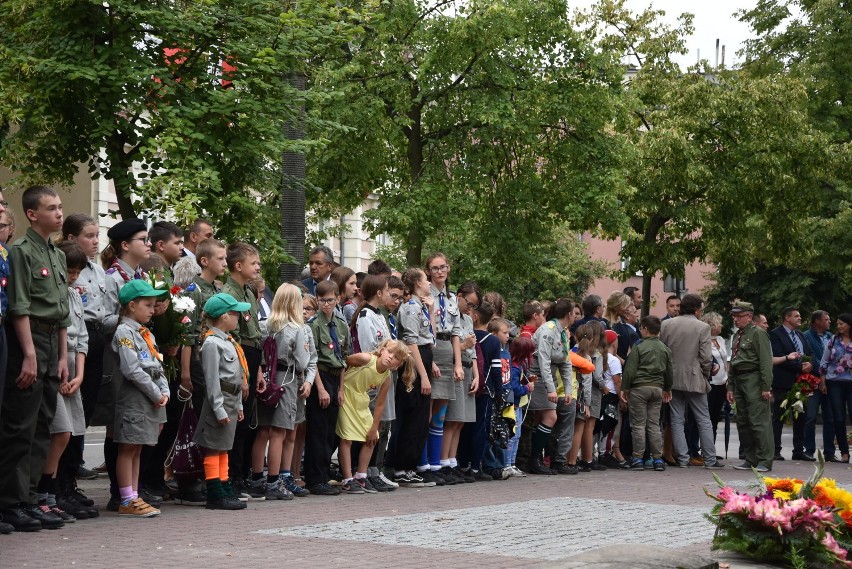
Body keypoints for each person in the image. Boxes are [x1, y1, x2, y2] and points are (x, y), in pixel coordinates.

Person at [0, 186, 71, 532]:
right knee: (20, 426)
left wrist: (63, 355)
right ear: (32, 214)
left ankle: (29, 499)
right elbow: (20, 305)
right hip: (28, 341)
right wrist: (29, 354)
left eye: (59, 207)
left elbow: (63, 312)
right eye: (51, 208)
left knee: (43, 424)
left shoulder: (56, 254)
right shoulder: (21, 252)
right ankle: (10, 501)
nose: (59, 213)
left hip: (52, 342)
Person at [250, 284, 316, 500]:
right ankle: (274, 481)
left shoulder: (265, 325)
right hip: (286, 379)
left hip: (267, 378)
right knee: (279, 432)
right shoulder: (297, 329)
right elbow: (304, 360)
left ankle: (257, 478)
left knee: (263, 431)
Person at [40, 242, 90, 523]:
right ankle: (45, 492)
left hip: (73, 367)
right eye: (69, 271)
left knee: (70, 434)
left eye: (77, 272)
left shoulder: (73, 295)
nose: (73, 277)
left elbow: (81, 338)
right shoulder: (54, 294)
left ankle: (56, 492)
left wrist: (80, 374)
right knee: (60, 433)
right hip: (56, 364)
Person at [112, 279, 170, 517]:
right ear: (132, 306)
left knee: (137, 448)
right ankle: (126, 498)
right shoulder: (124, 332)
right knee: (128, 447)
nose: (152, 309)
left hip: (150, 395)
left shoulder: (146, 333)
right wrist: (157, 393)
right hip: (135, 396)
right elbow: (132, 369)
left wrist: (165, 390)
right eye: (147, 304)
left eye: (154, 304)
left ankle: (134, 494)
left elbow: (157, 363)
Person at [193, 293, 250, 511]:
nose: (239, 317)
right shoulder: (212, 343)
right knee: (214, 447)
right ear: (224, 316)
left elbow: (236, 377)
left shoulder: (228, 341)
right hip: (220, 400)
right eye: (235, 313)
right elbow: (212, 380)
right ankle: (215, 492)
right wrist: (218, 409)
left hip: (232, 399)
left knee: (224, 446)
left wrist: (240, 406)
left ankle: (224, 486)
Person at [337, 340, 412, 494]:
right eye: (390, 352)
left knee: (373, 437)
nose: (391, 357)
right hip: (346, 396)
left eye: (396, 357)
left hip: (361, 401)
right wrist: (340, 389)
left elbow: (379, 404)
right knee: (346, 438)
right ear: (382, 350)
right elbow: (343, 364)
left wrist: (374, 426)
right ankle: (347, 479)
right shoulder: (366, 359)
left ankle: (361, 475)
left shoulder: (387, 377)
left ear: (398, 364)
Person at [528, 298, 594, 475]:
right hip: (538, 377)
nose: (575, 316)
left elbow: (565, 362)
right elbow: (543, 360)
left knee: (544, 419)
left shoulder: (564, 332)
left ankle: (540, 459)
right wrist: (551, 389)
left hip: (550, 377)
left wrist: (568, 390)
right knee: (550, 417)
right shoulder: (548, 330)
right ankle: (534, 459)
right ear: (568, 314)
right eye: (574, 312)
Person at [221, 242, 264, 499]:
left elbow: (255, 333)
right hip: (239, 355)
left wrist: (256, 371)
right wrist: (242, 374)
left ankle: (243, 474)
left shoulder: (248, 292)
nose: (258, 268)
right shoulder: (230, 293)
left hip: (252, 356)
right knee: (237, 421)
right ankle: (233, 477)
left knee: (249, 423)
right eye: (254, 264)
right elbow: (234, 338)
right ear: (238, 266)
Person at [659, 294, 722, 469]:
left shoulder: (666, 324)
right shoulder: (702, 327)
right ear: (696, 309)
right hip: (694, 377)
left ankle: (683, 459)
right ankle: (710, 459)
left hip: (672, 377)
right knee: (703, 419)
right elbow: (705, 356)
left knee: (676, 419)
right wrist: (706, 372)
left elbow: (663, 351)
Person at [421, 253, 464, 485]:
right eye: (435, 268)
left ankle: (437, 464)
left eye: (443, 267)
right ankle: (424, 463)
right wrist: (431, 361)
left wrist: (458, 363)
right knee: (427, 411)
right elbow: (424, 330)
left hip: (448, 347)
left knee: (441, 413)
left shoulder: (451, 297)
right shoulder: (425, 295)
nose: (440, 271)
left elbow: (456, 331)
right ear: (428, 271)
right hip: (432, 349)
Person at [305, 280, 351, 495]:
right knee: (318, 430)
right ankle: (315, 479)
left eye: (330, 300)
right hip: (320, 377)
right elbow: (312, 360)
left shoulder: (341, 324)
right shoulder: (313, 325)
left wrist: (341, 389)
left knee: (330, 431)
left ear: (338, 299)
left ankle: (324, 474)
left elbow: (343, 358)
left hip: (335, 377)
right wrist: (321, 389)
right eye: (322, 300)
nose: (326, 304)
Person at [390, 268, 434, 487]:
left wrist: (432, 310)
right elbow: (411, 342)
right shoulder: (410, 308)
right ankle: (401, 467)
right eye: (425, 279)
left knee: (422, 417)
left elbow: (430, 338)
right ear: (417, 283)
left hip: (425, 356)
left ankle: (410, 465)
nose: (428, 283)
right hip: (414, 362)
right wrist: (423, 376)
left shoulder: (422, 307)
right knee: (413, 415)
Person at [620, 315, 673, 471]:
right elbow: (670, 371)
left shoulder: (639, 347)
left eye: (641, 328)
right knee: (654, 424)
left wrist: (625, 388)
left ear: (646, 329)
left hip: (639, 388)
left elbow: (630, 370)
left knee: (638, 424)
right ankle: (657, 459)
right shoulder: (665, 348)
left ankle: (638, 457)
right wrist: (667, 388)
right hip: (657, 389)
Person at [728, 301, 774, 473]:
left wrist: (766, 386)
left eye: (739, 316)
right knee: (743, 422)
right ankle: (750, 458)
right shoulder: (736, 336)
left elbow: (765, 362)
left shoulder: (758, 334)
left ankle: (765, 460)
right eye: (734, 316)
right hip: (740, 380)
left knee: (759, 421)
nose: (735, 319)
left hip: (754, 379)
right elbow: (733, 362)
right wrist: (730, 386)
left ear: (749, 316)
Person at [769, 307, 813, 461]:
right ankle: (775, 450)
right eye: (797, 316)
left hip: (801, 382)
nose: (800, 318)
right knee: (779, 417)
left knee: (801, 415)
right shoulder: (775, 334)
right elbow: (777, 356)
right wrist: (799, 366)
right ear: (787, 318)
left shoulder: (800, 335)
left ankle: (798, 450)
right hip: (783, 381)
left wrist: (809, 365)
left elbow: (808, 354)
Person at [818, 313, 852, 464]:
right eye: (837, 324)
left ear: (849, 325)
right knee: (838, 418)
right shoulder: (833, 340)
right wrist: (823, 382)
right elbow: (824, 362)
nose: (838, 326)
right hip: (835, 382)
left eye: (841, 324)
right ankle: (844, 452)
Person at [804, 311, 836, 461]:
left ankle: (829, 452)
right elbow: (811, 357)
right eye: (826, 319)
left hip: (831, 382)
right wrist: (823, 369)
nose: (829, 321)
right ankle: (809, 450)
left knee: (830, 417)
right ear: (817, 321)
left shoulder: (831, 337)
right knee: (810, 417)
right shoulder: (806, 336)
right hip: (813, 381)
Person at [701, 312, 729, 444]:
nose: (721, 325)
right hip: (710, 382)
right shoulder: (704, 340)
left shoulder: (721, 340)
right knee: (708, 415)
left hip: (722, 382)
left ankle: (711, 446)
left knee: (716, 416)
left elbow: (724, 360)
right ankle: (705, 447)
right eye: (719, 323)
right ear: (712, 324)